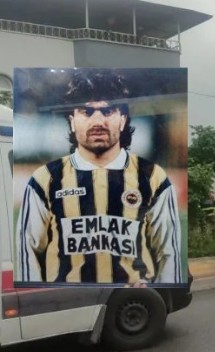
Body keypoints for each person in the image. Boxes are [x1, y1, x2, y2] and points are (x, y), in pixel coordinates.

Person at [15, 70, 183, 286]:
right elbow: (27, 251)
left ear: (122, 120)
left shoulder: (152, 177)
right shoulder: (44, 179)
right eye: (86, 112)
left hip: (131, 302)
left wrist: (159, 294)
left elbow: (169, 252)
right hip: (66, 303)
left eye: (108, 111)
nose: (98, 121)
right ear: (72, 121)